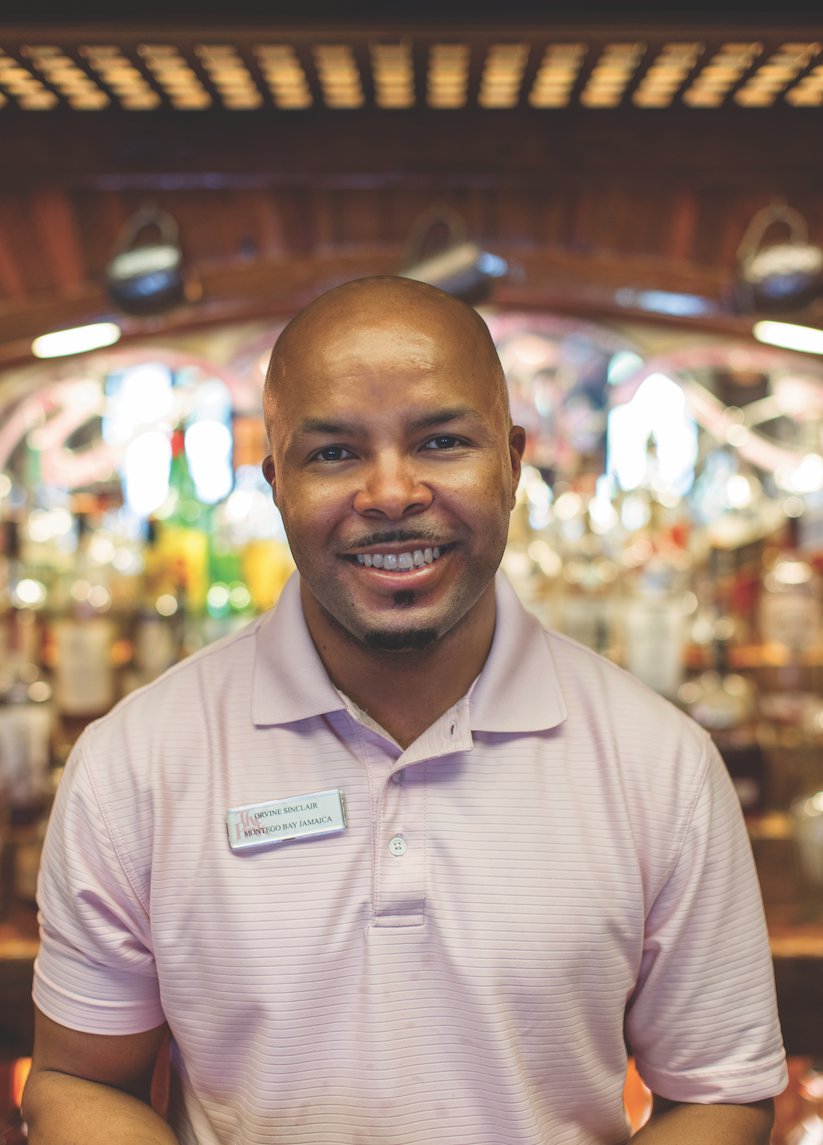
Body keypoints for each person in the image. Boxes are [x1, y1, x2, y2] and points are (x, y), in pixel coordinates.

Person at [23, 275, 787, 1145]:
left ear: (512, 460)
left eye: (440, 440)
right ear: (275, 481)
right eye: (335, 453)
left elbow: (717, 1093)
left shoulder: (660, 763)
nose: (391, 494)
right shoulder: (137, 760)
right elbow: (81, 1079)